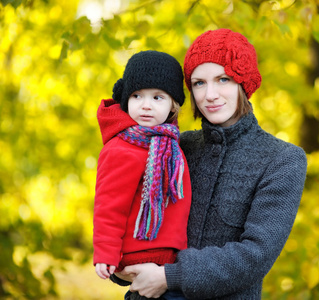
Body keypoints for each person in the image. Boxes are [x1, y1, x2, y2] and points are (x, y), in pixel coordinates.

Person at [107, 28, 308, 299]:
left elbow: (255, 255)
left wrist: (169, 276)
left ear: (243, 84)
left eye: (223, 79)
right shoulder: (175, 146)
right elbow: (124, 212)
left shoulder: (282, 160)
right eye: (199, 83)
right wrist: (120, 265)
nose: (210, 94)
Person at [93, 50, 191, 299]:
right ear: (126, 100)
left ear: (173, 105)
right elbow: (109, 205)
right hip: (140, 256)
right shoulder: (122, 147)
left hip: (168, 261)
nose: (146, 105)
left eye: (158, 97)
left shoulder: (169, 145)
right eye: (137, 96)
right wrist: (105, 253)